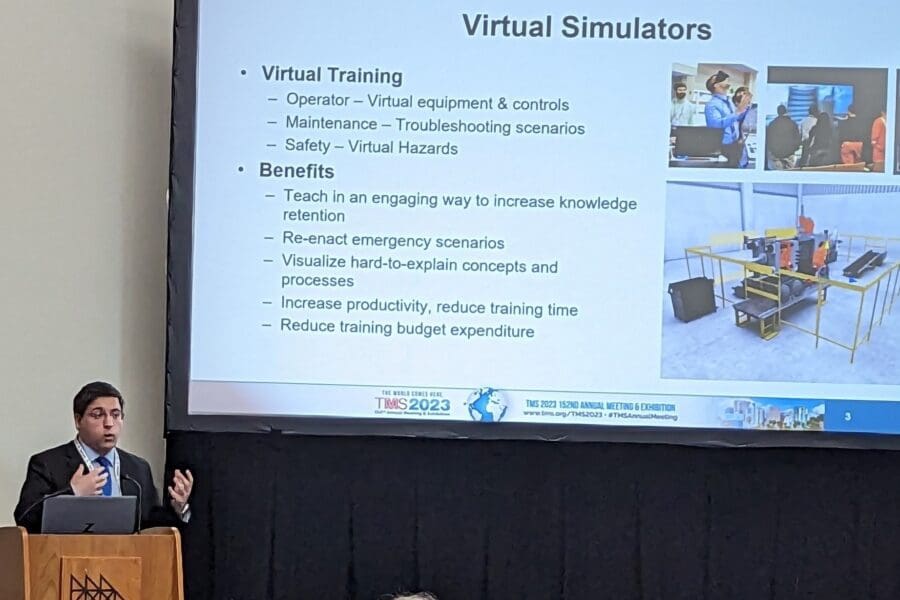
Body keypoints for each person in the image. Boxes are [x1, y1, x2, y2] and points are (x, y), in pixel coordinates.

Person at [13, 381, 194, 533]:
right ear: (78, 420)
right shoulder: (48, 464)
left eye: (116, 415)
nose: (109, 424)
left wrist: (178, 509)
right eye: (98, 415)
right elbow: (25, 519)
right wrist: (73, 493)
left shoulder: (137, 468)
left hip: (128, 565)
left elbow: (149, 525)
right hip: (68, 564)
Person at [704, 70, 751, 168]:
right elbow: (715, 125)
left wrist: (744, 109)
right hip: (724, 147)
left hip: (736, 144)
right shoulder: (711, 105)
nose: (728, 83)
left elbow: (736, 119)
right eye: (725, 81)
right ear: (716, 85)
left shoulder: (728, 101)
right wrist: (738, 111)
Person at [766, 105, 801, 169]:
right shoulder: (793, 124)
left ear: (777, 112)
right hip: (790, 156)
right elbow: (798, 141)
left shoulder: (771, 124)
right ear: (786, 111)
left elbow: (768, 140)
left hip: (775, 156)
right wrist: (794, 149)